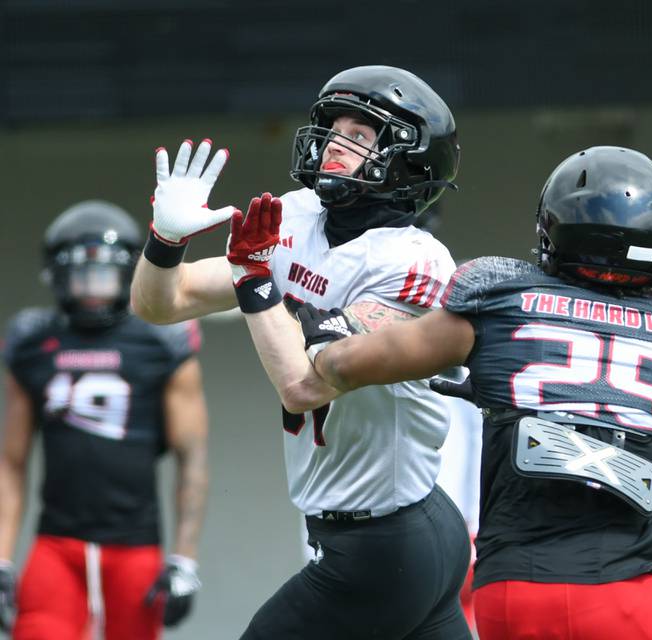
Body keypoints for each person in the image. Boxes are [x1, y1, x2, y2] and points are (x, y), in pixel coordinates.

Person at [281, 146, 652, 639]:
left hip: (517, 586)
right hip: (630, 588)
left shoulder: (499, 298)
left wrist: (321, 330)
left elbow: (342, 366)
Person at [130, 65, 472, 639]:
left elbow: (306, 384)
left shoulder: (415, 262)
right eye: (333, 128)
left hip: (386, 539)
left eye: (360, 136)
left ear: (410, 163)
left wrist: (255, 278)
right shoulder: (295, 218)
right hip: (383, 528)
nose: (334, 145)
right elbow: (160, 304)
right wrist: (165, 242)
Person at [0, 201, 209, 640]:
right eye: (81, 275)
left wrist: (184, 559)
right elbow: (10, 462)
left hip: (135, 546)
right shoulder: (33, 342)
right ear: (58, 278)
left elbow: (192, 456)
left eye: (104, 275)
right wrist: (1, 559)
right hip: (57, 545)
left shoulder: (161, 339)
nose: (93, 290)